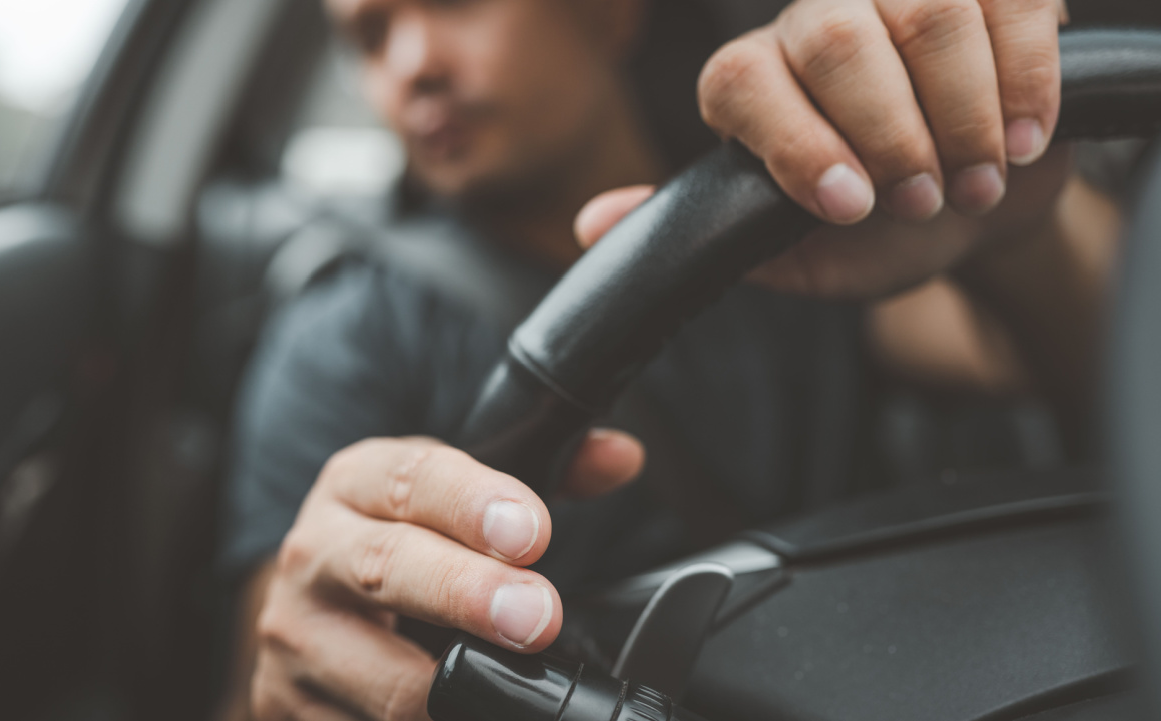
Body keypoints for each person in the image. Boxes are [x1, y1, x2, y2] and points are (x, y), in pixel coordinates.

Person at [216, 0, 1128, 719]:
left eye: (454, 0)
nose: (409, 66)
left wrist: (1013, 229)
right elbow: (276, 661)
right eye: (368, 37)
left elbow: (1106, 366)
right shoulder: (343, 332)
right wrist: (306, 663)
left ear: (611, 11)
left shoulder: (808, 224)